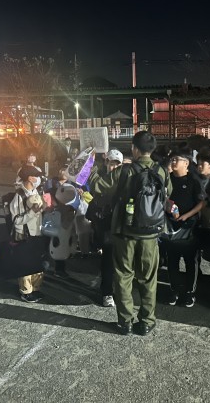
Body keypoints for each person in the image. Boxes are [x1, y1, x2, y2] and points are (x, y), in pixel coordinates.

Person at [89, 131, 172, 336]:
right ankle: (146, 322)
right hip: (150, 234)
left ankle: (125, 322)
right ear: (152, 149)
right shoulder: (161, 171)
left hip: (125, 233)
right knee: (148, 279)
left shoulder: (125, 171)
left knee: (123, 276)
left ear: (134, 149)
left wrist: (92, 166)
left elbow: (97, 186)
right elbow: (167, 192)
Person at [164, 149, 205, 307]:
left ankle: (189, 292)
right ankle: (174, 290)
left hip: (189, 226)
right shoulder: (167, 179)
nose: (173, 162)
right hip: (170, 225)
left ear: (186, 163)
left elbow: (201, 202)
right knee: (172, 260)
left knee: (190, 260)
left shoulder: (193, 180)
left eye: (177, 159)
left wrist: (187, 215)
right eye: (172, 159)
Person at [86, 148, 124, 307]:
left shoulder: (126, 179)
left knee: (122, 262)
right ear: (106, 163)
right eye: (111, 163)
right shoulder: (102, 180)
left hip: (122, 226)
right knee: (108, 260)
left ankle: (119, 291)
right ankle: (107, 292)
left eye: (117, 164)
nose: (113, 167)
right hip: (107, 227)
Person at [10, 165, 47, 303]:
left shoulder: (36, 192)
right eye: (36, 176)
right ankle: (26, 291)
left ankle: (35, 288)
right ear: (30, 178)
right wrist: (33, 212)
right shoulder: (19, 196)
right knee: (26, 264)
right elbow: (16, 220)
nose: (38, 178)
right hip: (24, 235)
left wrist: (44, 208)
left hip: (37, 232)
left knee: (37, 262)